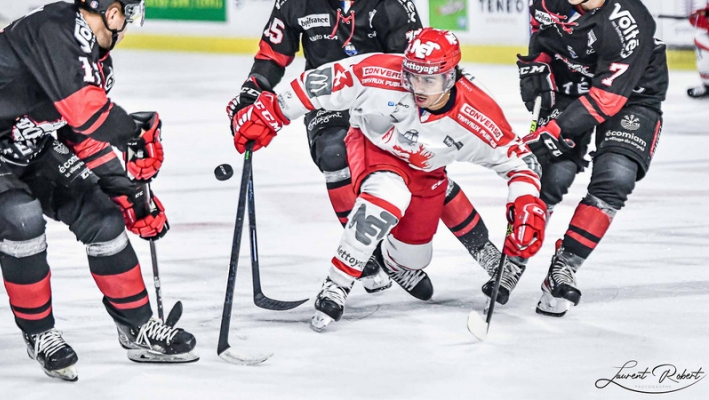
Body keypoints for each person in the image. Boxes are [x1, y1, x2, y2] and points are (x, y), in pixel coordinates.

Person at [0, 0, 197, 381]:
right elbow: (86, 113)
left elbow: (81, 136)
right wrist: (135, 133)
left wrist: (128, 194)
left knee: (103, 217)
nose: (128, 23)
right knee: (21, 217)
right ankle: (40, 334)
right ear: (112, 11)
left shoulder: (93, 62)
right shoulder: (58, 29)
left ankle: (138, 326)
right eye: (130, 11)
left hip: (25, 139)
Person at [226, 0, 505, 296]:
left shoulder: (392, 6)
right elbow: (273, 55)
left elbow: (416, 74)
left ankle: (483, 250)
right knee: (333, 153)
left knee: (424, 168)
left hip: (385, 104)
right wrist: (251, 92)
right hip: (328, 101)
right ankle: (370, 256)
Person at [230, 27, 547, 331]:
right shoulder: (380, 72)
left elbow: (520, 164)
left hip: (427, 170)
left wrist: (525, 201)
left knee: (414, 257)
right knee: (385, 200)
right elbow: (318, 83)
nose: (418, 87)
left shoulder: (478, 113)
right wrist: (271, 112)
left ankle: (393, 263)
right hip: (374, 147)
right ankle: (336, 285)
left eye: (429, 80)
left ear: (450, 77)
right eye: (413, 76)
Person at [517, 0, 668, 317]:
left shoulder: (627, 21)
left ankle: (563, 269)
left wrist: (556, 129)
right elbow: (542, 43)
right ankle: (514, 257)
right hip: (573, 84)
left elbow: (605, 99)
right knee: (550, 174)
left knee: (615, 176)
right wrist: (537, 68)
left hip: (632, 97)